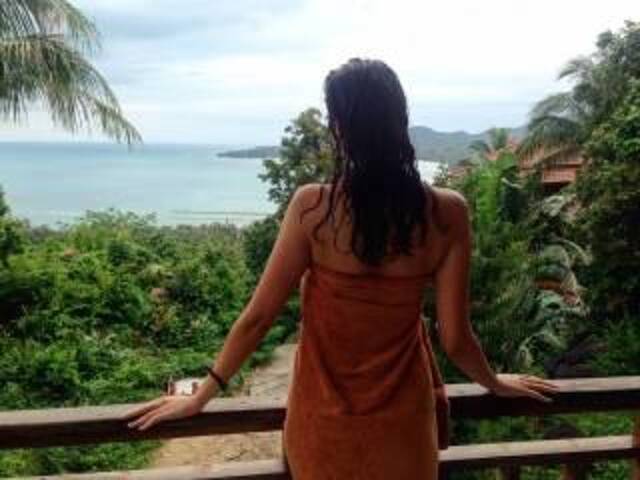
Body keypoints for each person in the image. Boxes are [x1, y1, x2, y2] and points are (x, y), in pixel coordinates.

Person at [124, 58, 558, 479]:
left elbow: (259, 318)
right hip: (403, 428)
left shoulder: (312, 209)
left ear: (339, 128)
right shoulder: (446, 213)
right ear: (401, 120)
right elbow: (457, 339)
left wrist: (202, 395)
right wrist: (495, 383)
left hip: (323, 424)